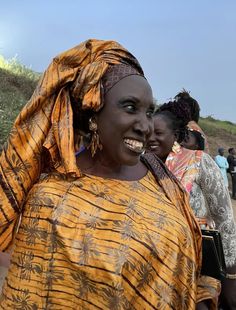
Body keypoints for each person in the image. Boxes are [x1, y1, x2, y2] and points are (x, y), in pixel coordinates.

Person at [0, 39, 202, 309]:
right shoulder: (49, 200)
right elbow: (28, 296)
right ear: (93, 113)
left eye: (149, 111)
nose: (145, 125)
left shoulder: (163, 183)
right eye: (130, 107)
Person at [147, 99, 236, 309]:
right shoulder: (139, 164)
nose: (150, 139)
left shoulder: (199, 161)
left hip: (199, 262)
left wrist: (231, 276)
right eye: (147, 132)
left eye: (158, 134)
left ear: (175, 136)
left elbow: (224, 218)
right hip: (153, 261)